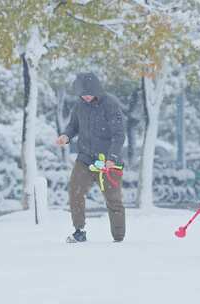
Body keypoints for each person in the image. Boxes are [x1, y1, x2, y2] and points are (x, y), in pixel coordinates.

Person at [56, 72, 126, 243]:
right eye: (82, 94)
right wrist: (66, 136)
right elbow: (73, 126)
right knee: (75, 191)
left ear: (97, 90)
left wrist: (112, 158)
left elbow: (119, 134)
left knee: (113, 199)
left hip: (108, 161)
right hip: (86, 158)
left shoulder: (110, 104)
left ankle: (118, 237)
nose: (86, 97)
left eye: (88, 93)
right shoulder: (80, 106)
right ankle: (79, 230)